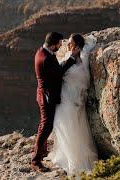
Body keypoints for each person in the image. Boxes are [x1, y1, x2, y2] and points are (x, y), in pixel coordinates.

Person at [47, 34, 98, 175]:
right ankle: (66, 157)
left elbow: (85, 81)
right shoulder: (68, 57)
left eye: (70, 43)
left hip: (72, 101)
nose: (68, 45)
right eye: (68, 43)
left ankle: (75, 162)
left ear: (77, 46)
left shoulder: (81, 62)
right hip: (65, 99)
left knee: (72, 130)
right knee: (63, 128)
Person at [31, 32, 80, 172]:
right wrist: (71, 57)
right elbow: (59, 73)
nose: (60, 46)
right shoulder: (45, 58)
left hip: (44, 94)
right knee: (47, 126)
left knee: (44, 125)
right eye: (59, 43)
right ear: (53, 44)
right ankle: (35, 161)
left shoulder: (42, 52)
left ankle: (42, 151)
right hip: (47, 97)